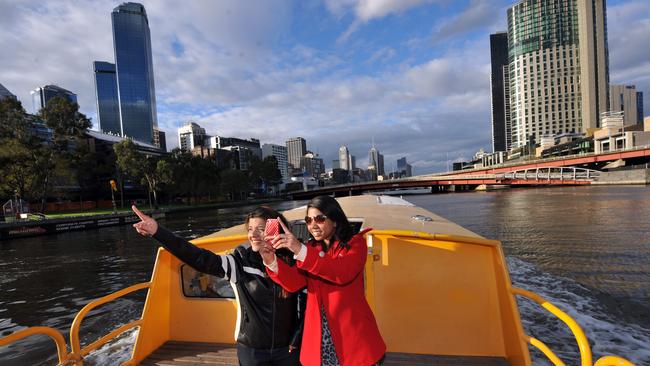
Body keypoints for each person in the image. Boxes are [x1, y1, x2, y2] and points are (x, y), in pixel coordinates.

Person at [131, 205, 304, 366]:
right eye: (250, 229)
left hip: (287, 350)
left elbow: (305, 304)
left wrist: (297, 339)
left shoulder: (293, 260)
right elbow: (200, 258)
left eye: (261, 229)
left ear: (275, 229)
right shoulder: (240, 262)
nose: (253, 235)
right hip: (253, 350)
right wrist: (158, 232)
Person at [263, 195, 386, 366]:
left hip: (351, 336)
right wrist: (271, 260)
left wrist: (300, 250)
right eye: (308, 220)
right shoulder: (311, 249)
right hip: (319, 334)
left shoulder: (356, 244)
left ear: (335, 221)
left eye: (320, 219)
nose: (313, 225)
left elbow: (342, 272)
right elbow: (294, 282)